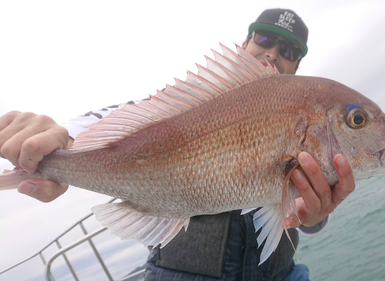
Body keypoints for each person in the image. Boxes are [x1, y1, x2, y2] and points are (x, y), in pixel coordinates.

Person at [0, 8, 355, 281]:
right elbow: (125, 116)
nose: (274, 53)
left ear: (296, 66)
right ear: (244, 44)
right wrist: (62, 137)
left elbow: (309, 220)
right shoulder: (191, 103)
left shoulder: (310, 124)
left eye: (289, 49)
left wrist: (314, 215)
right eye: (264, 40)